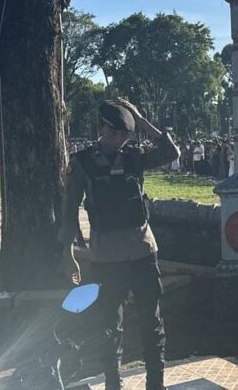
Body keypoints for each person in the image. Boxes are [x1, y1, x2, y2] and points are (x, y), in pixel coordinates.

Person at [60, 99, 180, 390]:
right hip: (106, 256)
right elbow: (69, 208)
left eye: (125, 134)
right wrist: (68, 253)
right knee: (108, 326)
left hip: (142, 249)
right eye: (114, 133)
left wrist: (140, 118)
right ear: (101, 128)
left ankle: (156, 384)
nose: (119, 139)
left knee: (152, 324)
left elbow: (170, 152)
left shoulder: (134, 157)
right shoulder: (83, 163)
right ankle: (114, 384)